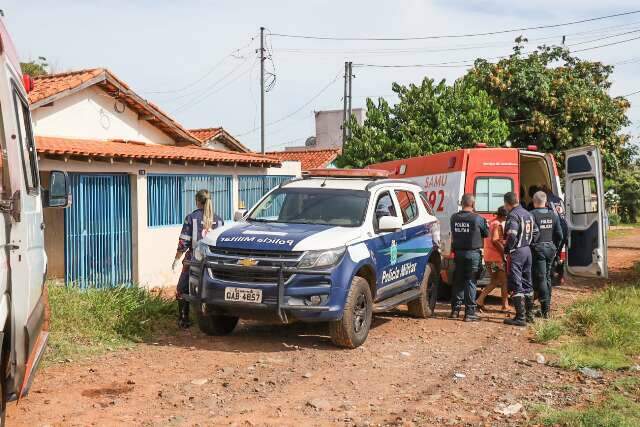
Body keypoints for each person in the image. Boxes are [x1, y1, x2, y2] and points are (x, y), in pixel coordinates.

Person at [172, 189, 224, 328]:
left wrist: (177, 259)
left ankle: (184, 319)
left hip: (193, 261)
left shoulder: (191, 218)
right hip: (213, 263)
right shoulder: (219, 220)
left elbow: (184, 242)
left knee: (182, 289)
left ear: (197, 201)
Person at [449, 194, 489, 322]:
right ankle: (470, 312)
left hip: (458, 253)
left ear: (461, 203)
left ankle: (455, 310)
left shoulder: (454, 218)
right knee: (471, 282)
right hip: (473, 254)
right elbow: (486, 234)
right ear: (473, 204)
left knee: (458, 281)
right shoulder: (478, 218)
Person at [503, 191, 538, 327]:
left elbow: (511, 235)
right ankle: (529, 315)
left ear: (507, 203)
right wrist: (528, 243)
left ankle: (520, 317)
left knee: (516, 282)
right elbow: (536, 232)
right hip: (527, 251)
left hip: (517, 252)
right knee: (527, 282)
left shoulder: (513, 215)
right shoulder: (528, 213)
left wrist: (507, 249)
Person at [530, 191, 563, 318]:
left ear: (534, 201)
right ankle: (546, 308)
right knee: (548, 277)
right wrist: (555, 248)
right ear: (546, 202)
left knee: (542, 278)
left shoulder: (532, 215)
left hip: (538, 250)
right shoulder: (554, 215)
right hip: (551, 249)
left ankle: (545, 311)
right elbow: (560, 235)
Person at [476, 206, 509, 312]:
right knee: (503, 281)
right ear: (504, 216)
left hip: (488, 256)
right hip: (496, 259)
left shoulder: (490, 222)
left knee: (494, 281)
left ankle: (480, 300)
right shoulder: (497, 224)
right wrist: (503, 252)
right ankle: (505, 306)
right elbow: (495, 240)